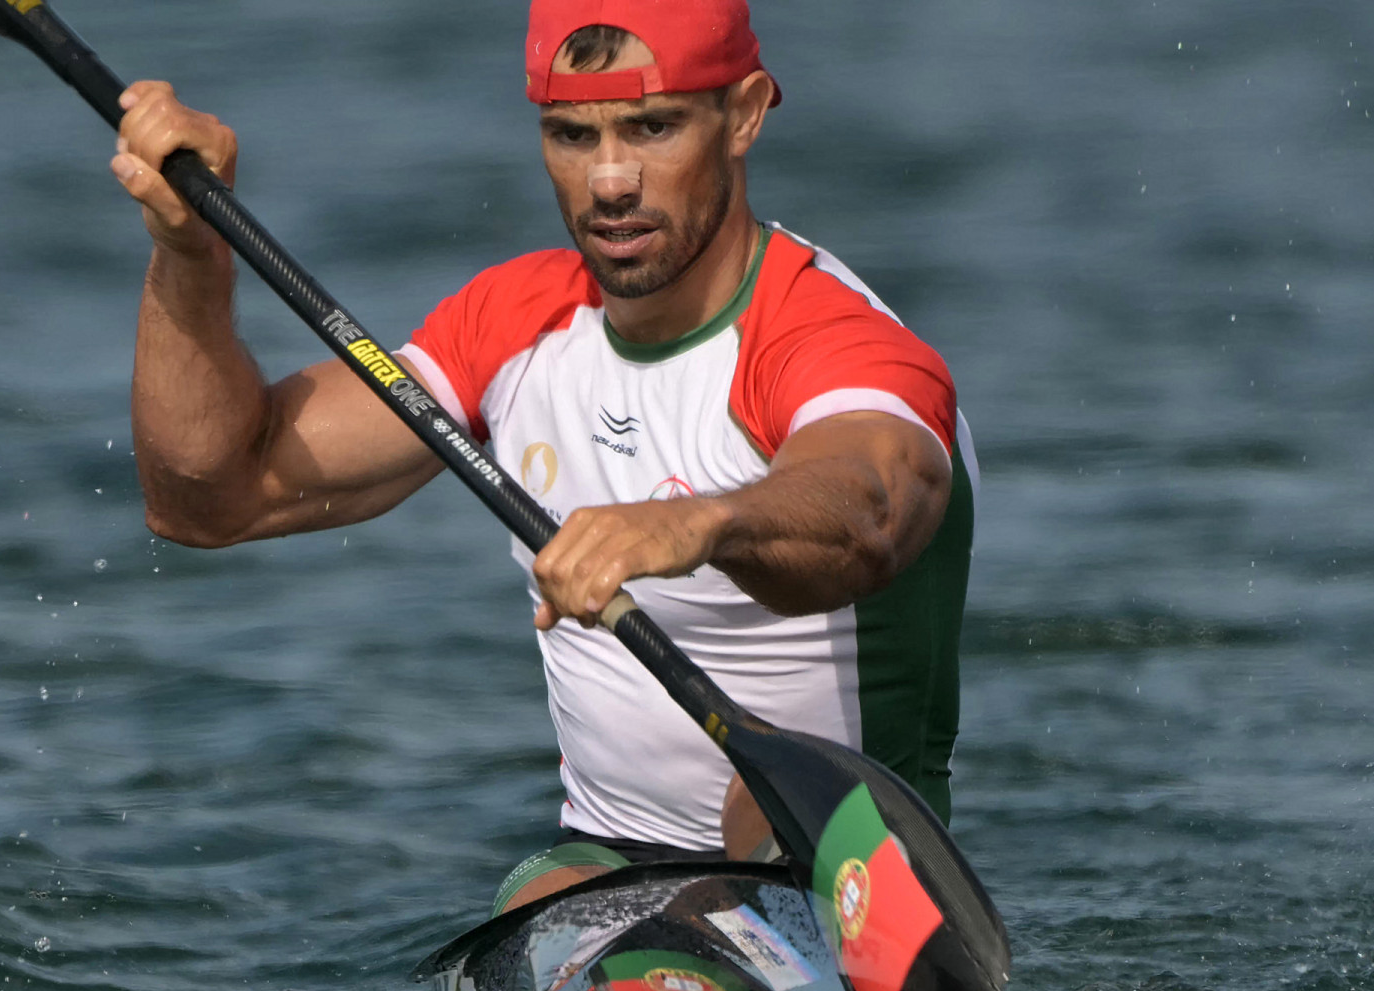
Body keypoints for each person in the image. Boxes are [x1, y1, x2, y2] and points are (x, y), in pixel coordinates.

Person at [108, 0, 976, 914]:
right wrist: (190, 256)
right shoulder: (514, 324)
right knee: (543, 897)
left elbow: (874, 505)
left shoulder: (827, 339)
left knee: (747, 818)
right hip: (600, 868)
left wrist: (705, 521)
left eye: (652, 127)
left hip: (838, 871)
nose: (607, 180)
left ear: (746, 114)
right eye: (570, 135)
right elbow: (209, 497)